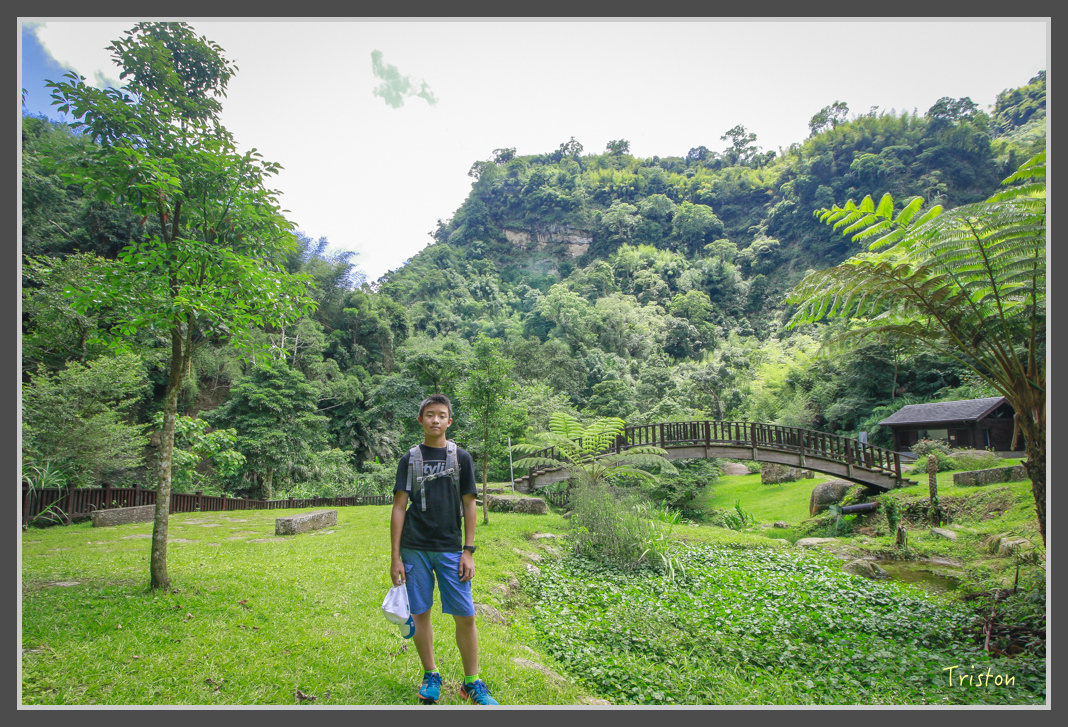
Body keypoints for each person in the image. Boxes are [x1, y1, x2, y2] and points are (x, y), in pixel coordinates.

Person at [390, 393, 499, 705]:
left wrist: (469, 549)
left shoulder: (461, 458)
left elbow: (470, 503)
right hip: (414, 548)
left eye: (441, 415)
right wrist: (395, 557)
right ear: (421, 420)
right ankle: (431, 674)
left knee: (465, 615)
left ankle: (472, 682)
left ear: (449, 421)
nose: (435, 420)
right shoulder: (409, 459)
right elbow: (399, 507)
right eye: (429, 415)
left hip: (451, 549)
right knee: (420, 612)